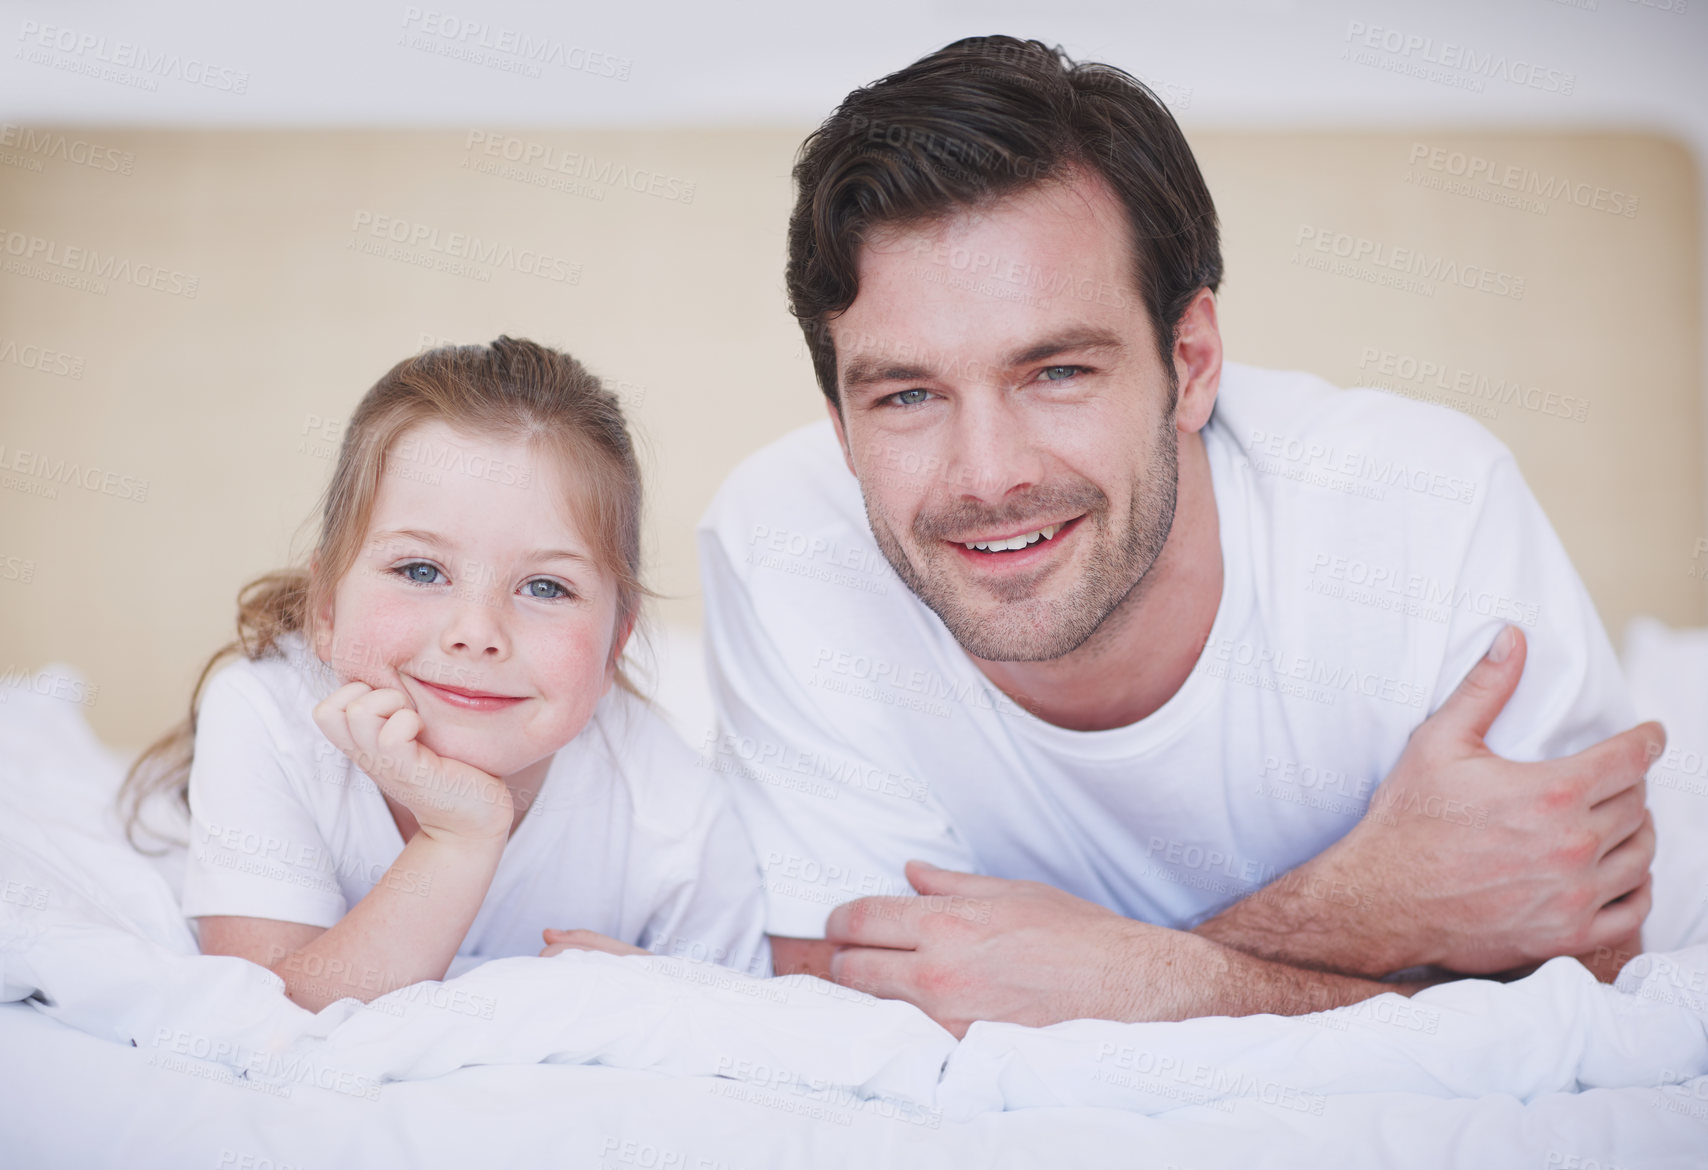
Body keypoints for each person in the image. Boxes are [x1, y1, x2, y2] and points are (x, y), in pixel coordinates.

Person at [696, 36, 1661, 1037]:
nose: (987, 476)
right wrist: (1363, 911)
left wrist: (1131, 979)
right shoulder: (782, 542)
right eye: (905, 395)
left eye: (1057, 372)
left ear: (1191, 362)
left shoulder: (1426, 508)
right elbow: (864, 1026)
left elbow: (1589, 988)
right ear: (838, 420)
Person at [120, 337, 768, 1010]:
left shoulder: (676, 818)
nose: (477, 633)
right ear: (324, 608)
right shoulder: (265, 715)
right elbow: (265, 1018)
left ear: (615, 646)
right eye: (421, 571)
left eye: (545, 587)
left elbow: (747, 1029)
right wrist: (458, 838)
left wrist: (659, 992)